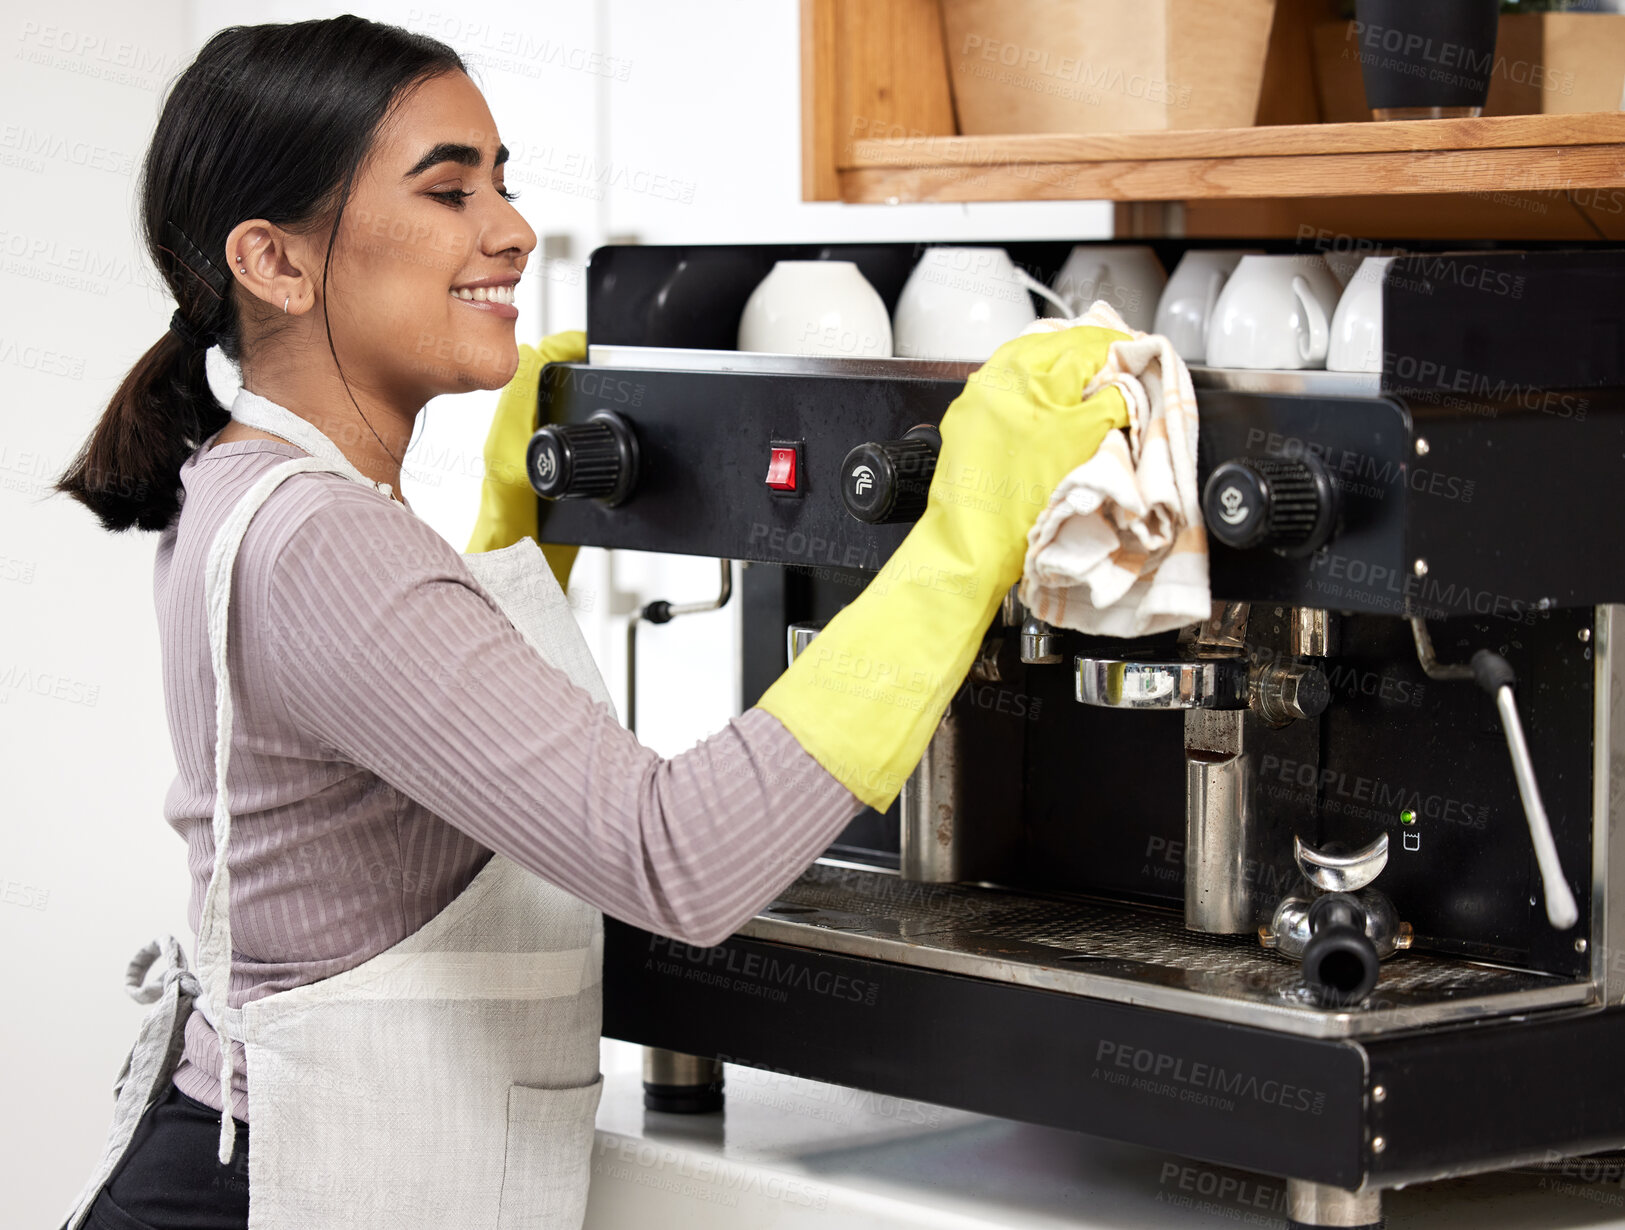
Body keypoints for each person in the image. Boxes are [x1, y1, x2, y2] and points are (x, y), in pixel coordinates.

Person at [50, 15, 1130, 1230]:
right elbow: (675, 859)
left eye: (500, 182)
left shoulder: (259, 490)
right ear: (277, 264)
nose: (507, 228)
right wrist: (965, 541)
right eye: (448, 189)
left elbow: (411, 753)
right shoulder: (325, 543)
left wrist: (526, 534)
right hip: (261, 1191)